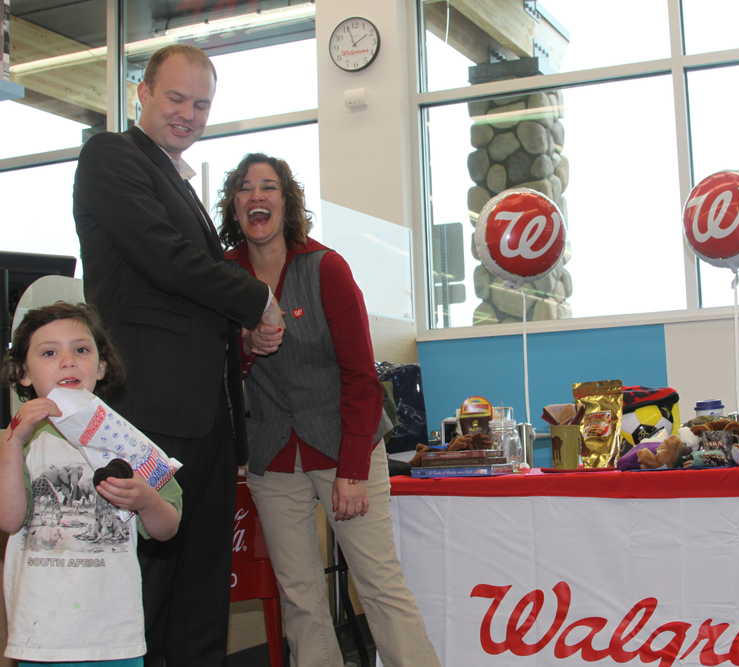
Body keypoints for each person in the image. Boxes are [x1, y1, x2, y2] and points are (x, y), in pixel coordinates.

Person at [72, 44, 284, 667]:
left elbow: (185, 290)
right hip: (149, 417)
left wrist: (238, 333)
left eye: (202, 103)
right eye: (176, 98)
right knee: (151, 584)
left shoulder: (179, 179)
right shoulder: (111, 156)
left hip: (207, 421)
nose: (189, 113)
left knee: (201, 590)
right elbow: (164, 256)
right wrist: (255, 301)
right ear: (141, 91)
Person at [218, 153, 441, 667]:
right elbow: (216, 369)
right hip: (272, 458)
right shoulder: (223, 276)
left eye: (268, 187)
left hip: (347, 449)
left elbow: (363, 379)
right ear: (234, 205)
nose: (257, 196)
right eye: (246, 188)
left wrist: (353, 472)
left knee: (380, 587)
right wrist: (247, 346)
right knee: (300, 599)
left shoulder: (326, 268)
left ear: (286, 201)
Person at [0, 302, 183, 665]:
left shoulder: (129, 442)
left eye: (81, 350)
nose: (68, 360)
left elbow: (168, 527)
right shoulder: (17, 442)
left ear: (101, 366)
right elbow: (8, 519)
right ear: (23, 373)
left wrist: (146, 501)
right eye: (49, 352)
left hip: (114, 636)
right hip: (41, 637)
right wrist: (14, 442)